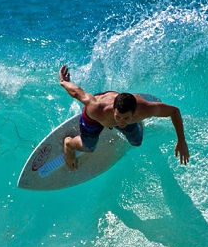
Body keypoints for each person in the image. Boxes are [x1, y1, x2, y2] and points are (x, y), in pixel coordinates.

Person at [58, 65, 190, 170]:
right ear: (114, 110)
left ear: (134, 113)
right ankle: (69, 143)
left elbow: (174, 111)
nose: (121, 122)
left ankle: (136, 122)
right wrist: (64, 82)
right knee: (89, 148)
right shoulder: (97, 108)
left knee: (136, 142)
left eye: (126, 118)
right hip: (94, 120)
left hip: (131, 108)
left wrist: (181, 140)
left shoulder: (145, 109)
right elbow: (77, 92)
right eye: (118, 117)